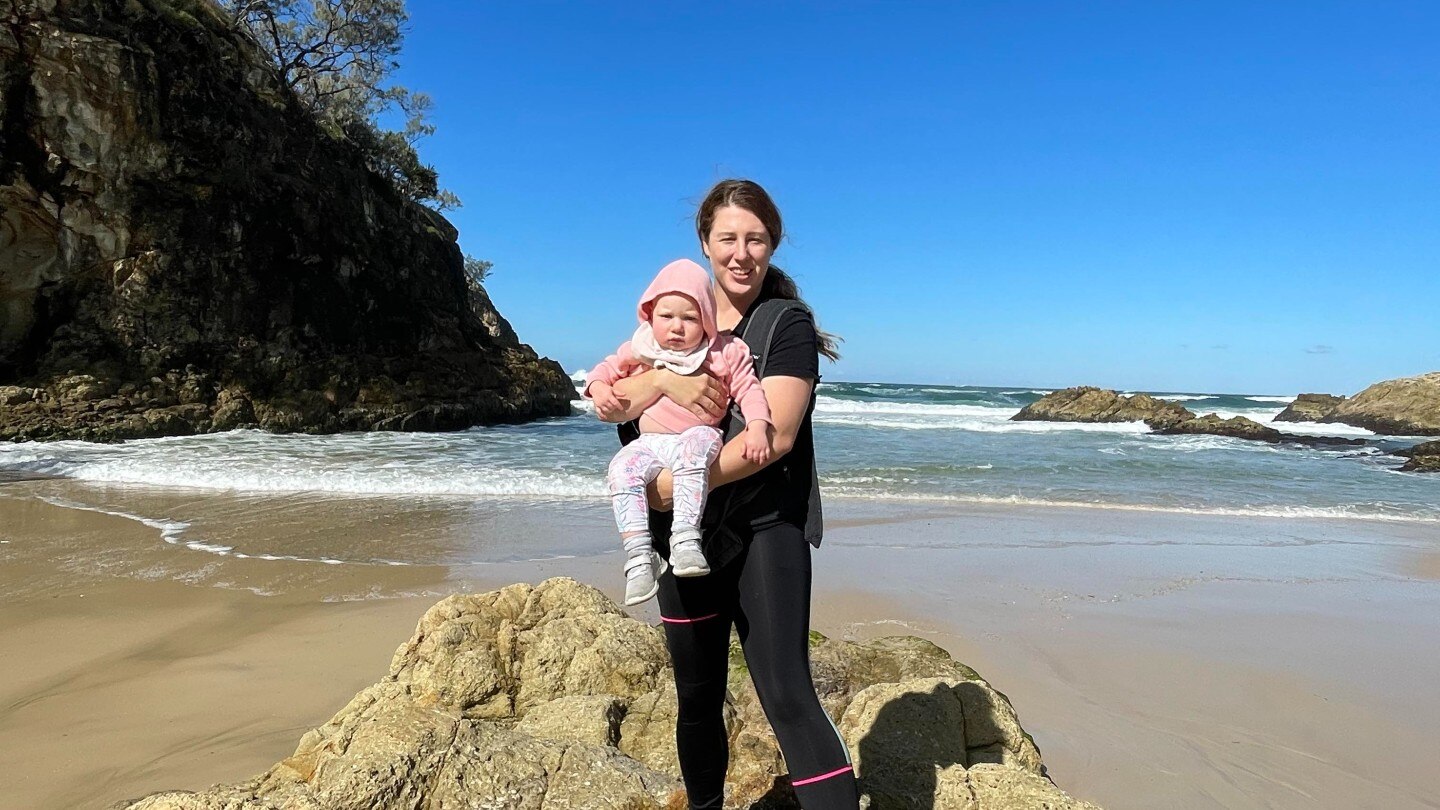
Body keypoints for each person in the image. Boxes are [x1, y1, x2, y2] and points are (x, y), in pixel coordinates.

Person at [593, 180, 858, 809]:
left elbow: (781, 435)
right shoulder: (672, 320)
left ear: (773, 245)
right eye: (728, 239)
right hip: (682, 537)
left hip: (767, 526)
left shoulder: (782, 324)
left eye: (756, 239)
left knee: (788, 693)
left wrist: (670, 485)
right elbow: (617, 404)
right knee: (697, 694)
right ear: (705, 243)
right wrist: (663, 380)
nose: (742, 253)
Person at [585, 259, 773, 606]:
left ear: (706, 320)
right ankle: (640, 556)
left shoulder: (723, 351)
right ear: (649, 316)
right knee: (621, 471)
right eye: (666, 317)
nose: (677, 327)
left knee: (692, 459)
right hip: (650, 442)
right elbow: (604, 369)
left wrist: (759, 425)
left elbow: (750, 389)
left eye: (690, 318)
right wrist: (598, 388)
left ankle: (686, 539)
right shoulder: (640, 348)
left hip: (697, 434)